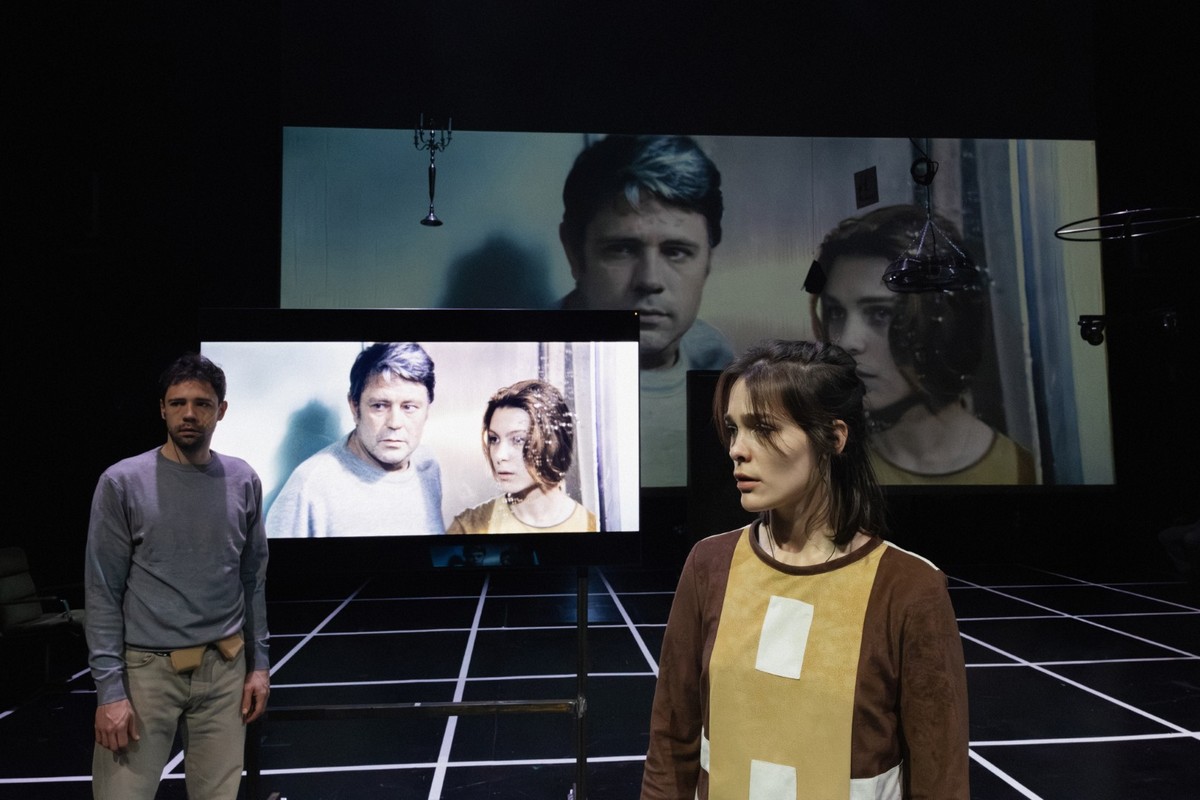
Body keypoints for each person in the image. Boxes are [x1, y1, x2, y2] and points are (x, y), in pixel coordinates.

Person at [642, 340, 969, 799]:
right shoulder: (710, 565)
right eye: (734, 429)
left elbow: (940, 776)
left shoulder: (907, 588)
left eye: (763, 428)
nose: (737, 449)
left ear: (834, 438)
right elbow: (672, 743)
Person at [85, 353, 270, 800]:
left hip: (225, 669)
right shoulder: (122, 482)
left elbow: (252, 580)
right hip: (146, 674)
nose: (189, 414)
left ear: (221, 410)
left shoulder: (243, 479)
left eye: (202, 404)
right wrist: (110, 691)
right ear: (162, 409)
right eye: (178, 403)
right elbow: (102, 590)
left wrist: (259, 665)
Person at [810, 204, 1036, 484]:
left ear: (943, 321)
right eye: (836, 312)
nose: (847, 341)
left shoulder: (1025, 472)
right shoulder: (828, 471)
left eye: (880, 313)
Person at [559, 134, 734, 486]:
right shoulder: (530, 361)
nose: (650, 280)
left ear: (708, 262)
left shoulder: (718, 360)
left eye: (676, 251)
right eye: (623, 249)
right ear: (575, 254)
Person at [267, 342, 444, 537]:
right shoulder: (309, 487)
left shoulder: (428, 466)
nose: (394, 423)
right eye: (379, 406)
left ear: (427, 410)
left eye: (409, 407)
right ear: (354, 407)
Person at [448, 379, 598, 533]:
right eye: (494, 439)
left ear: (553, 443)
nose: (499, 455)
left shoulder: (594, 527)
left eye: (518, 440)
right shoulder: (469, 527)